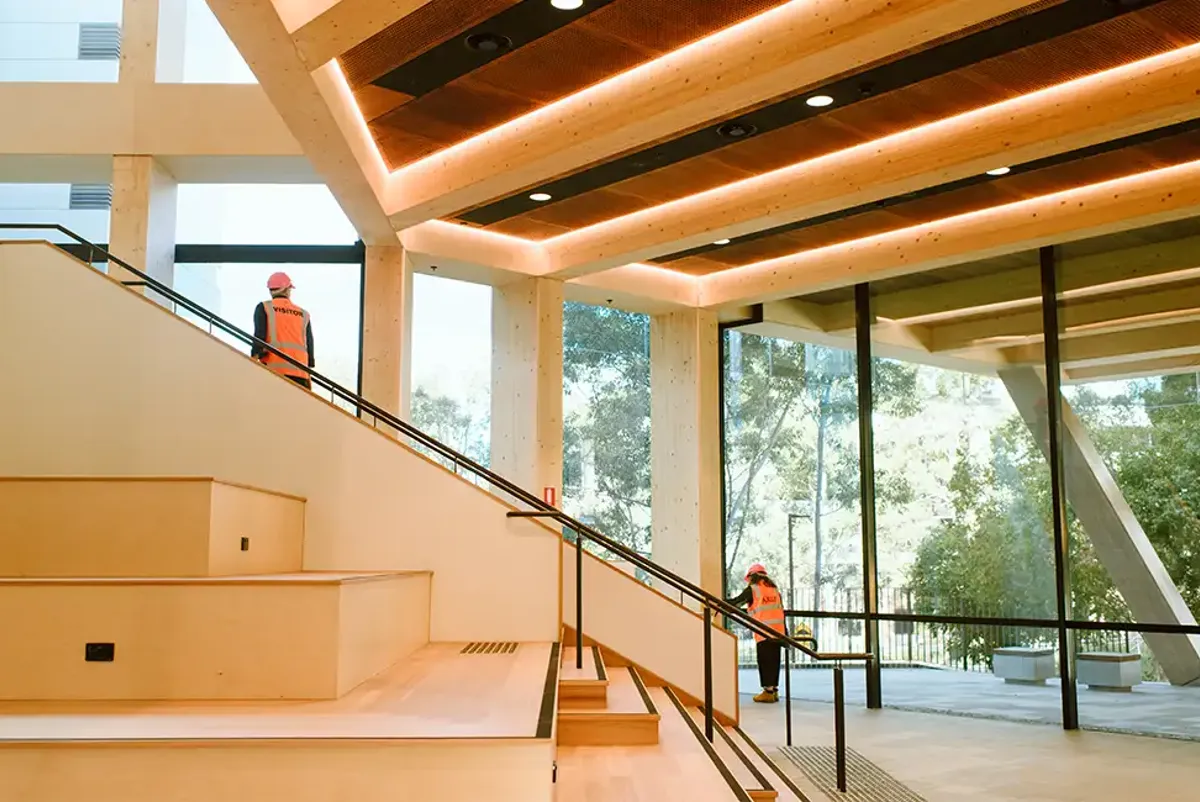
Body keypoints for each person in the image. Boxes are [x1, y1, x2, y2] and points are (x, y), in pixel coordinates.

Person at [727, 563, 786, 703]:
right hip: (778, 631)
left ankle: (768, 692)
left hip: (763, 631)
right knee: (774, 661)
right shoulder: (774, 590)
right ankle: (774, 691)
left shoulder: (752, 589)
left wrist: (720, 602)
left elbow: (736, 602)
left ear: (751, 577)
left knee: (765, 661)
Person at [252, 272, 314, 390]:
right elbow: (309, 345)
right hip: (300, 373)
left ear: (270, 290)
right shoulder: (304, 314)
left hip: (274, 371)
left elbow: (259, 337)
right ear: (287, 289)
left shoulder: (264, 307)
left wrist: (254, 359)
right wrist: (308, 372)